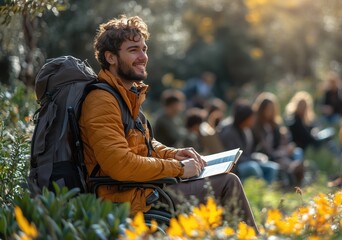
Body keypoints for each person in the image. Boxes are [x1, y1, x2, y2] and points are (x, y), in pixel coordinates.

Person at [79, 15, 257, 229]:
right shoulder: (102, 101)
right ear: (111, 57)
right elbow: (120, 164)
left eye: (144, 49)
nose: (143, 57)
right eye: (133, 50)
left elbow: (145, 145)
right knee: (229, 184)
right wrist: (179, 168)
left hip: (143, 190)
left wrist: (175, 154)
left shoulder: (126, 95)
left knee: (224, 181)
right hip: (129, 200)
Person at [219, 100, 279, 184]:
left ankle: (266, 191)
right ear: (245, 118)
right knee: (253, 167)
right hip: (235, 167)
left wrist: (256, 157)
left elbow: (248, 153)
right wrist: (252, 159)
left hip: (247, 161)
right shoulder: (229, 133)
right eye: (252, 118)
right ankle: (260, 190)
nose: (253, 120)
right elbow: (233, 158)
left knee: (272, 167)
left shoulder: (247, 131)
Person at [252, 92, 304, 186]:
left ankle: (297, 180)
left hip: (279, 152)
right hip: (267, 155)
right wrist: (282, 152)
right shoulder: (257, 127)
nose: (270, 112)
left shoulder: (275, 124)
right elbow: (266, 148)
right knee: (288, 163)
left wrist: (287, 147)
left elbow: (282, 140)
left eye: (272, 109)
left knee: (297, 152)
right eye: (268, 109)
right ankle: (294, 181)